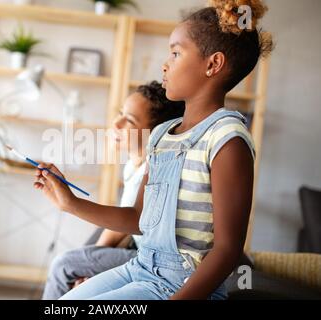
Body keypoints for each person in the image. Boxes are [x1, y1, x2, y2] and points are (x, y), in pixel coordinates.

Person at [34, 0, 273, 300]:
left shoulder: (228, 139)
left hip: (183, 285)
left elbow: (227, 251)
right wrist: (70, 203)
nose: (165, 64)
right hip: (141, 268)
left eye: (175, 53)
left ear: (213, 64)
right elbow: (138, 218)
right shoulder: (161, 135)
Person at [42, 81, 185, 300]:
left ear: (154, 133)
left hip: (150, 259)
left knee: (64, 264)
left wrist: (88, 265)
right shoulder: (134, 164)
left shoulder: (152, 170)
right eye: (120, 113)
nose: (116, 123)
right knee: (77, 258)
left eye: (129, 120)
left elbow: (127, 223)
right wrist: (89, 263)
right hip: (136, 250)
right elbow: (118, 227)